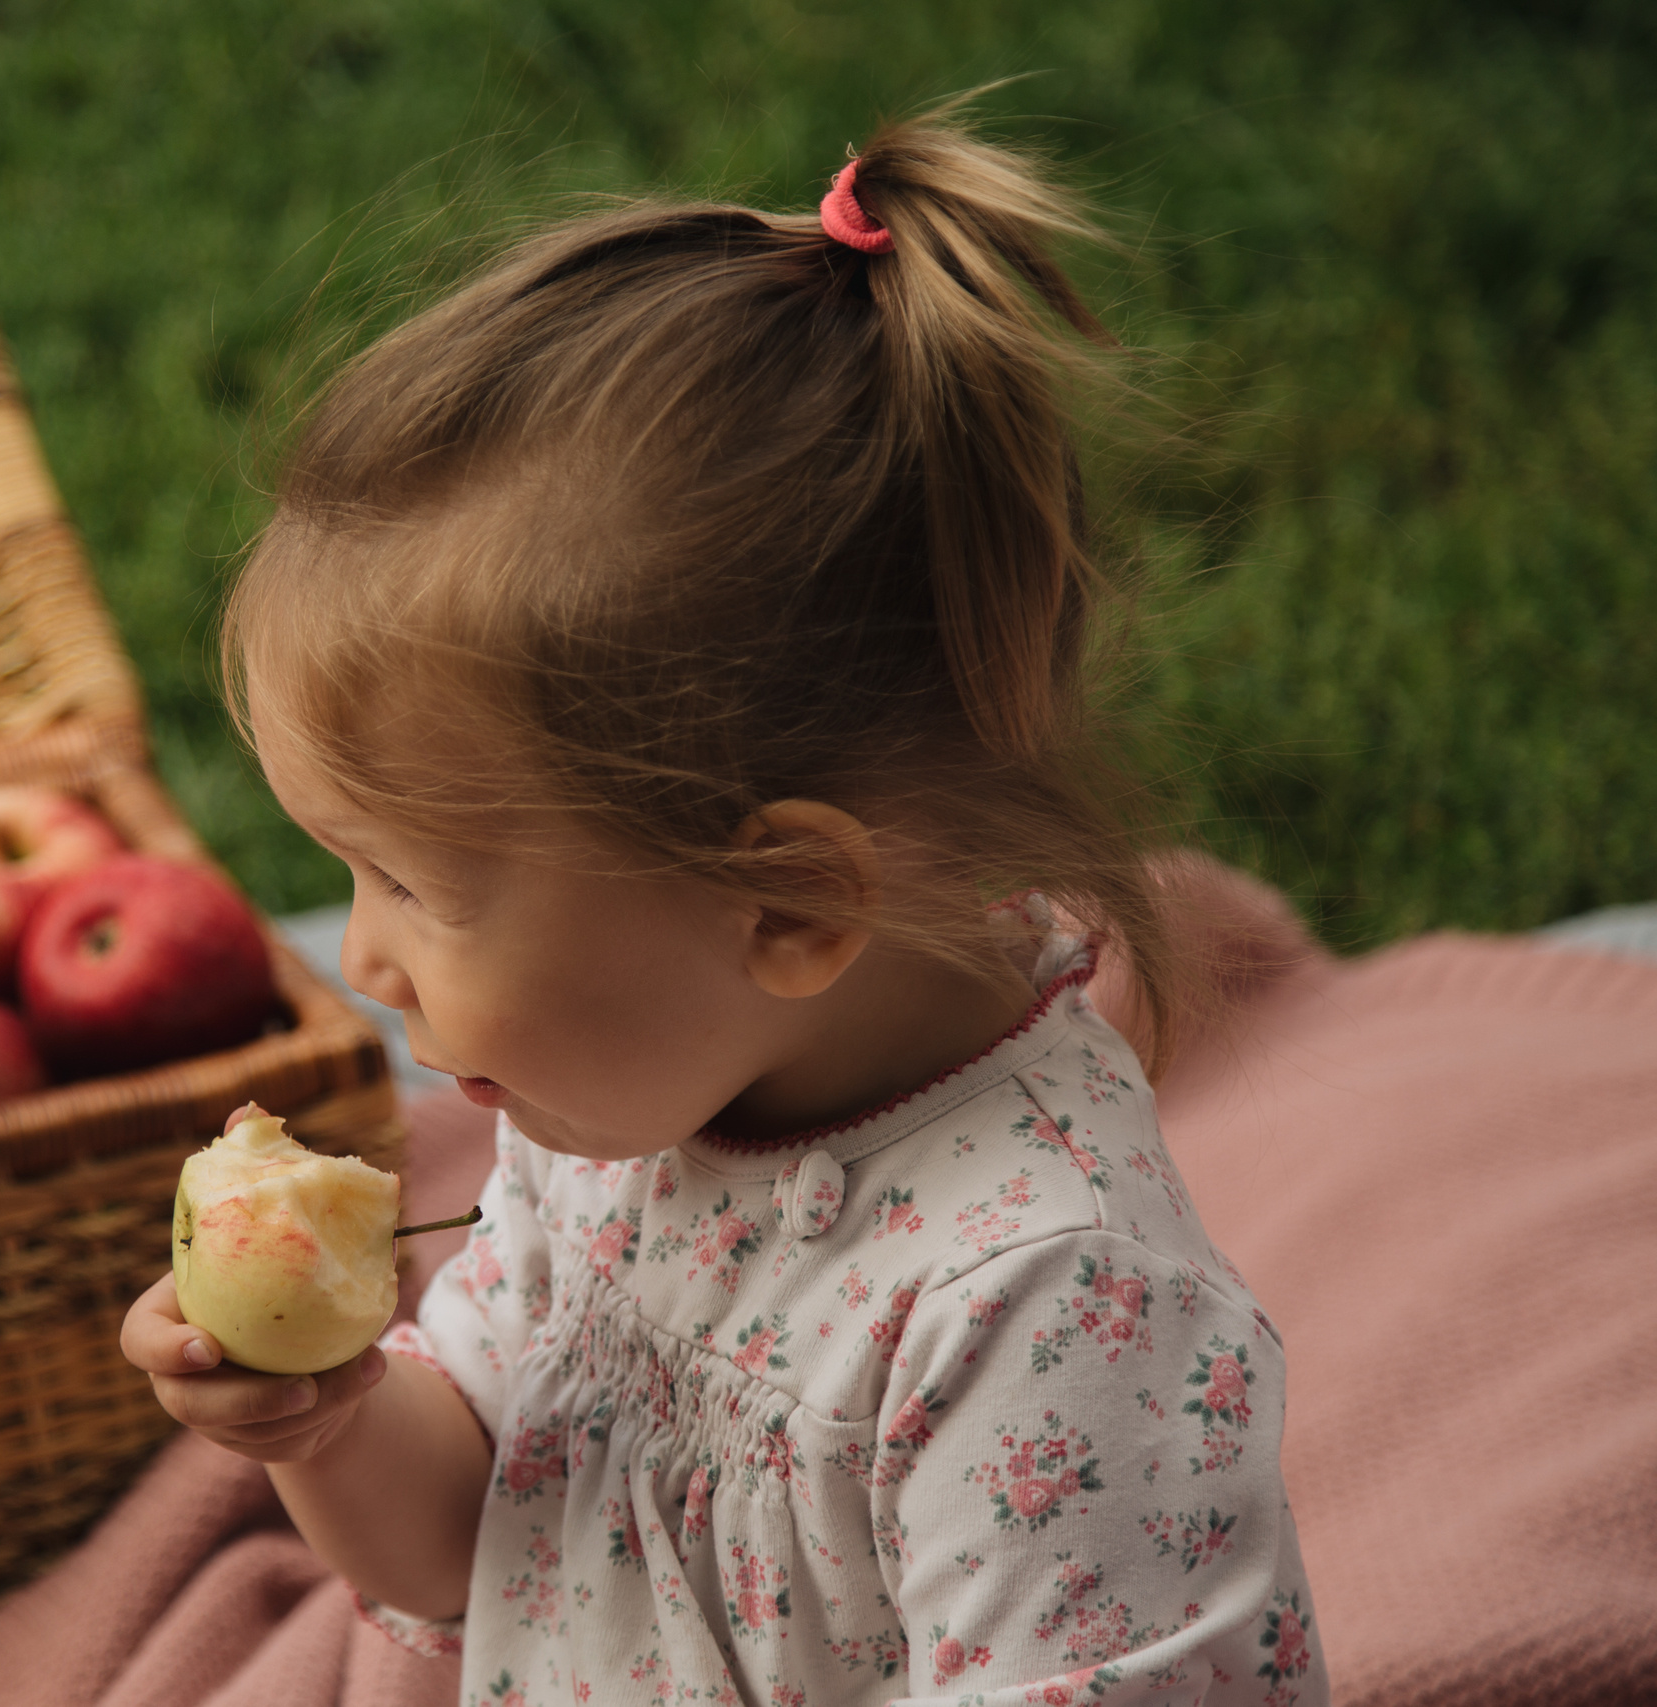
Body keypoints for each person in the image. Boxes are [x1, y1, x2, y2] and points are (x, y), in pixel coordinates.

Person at [121, 103, 1325, 1707]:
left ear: (785, 910)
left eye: (415, 884)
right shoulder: (616, 1120)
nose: (363, 961)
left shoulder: (1049, 1313)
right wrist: (330, 1422)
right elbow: (477, 1541)